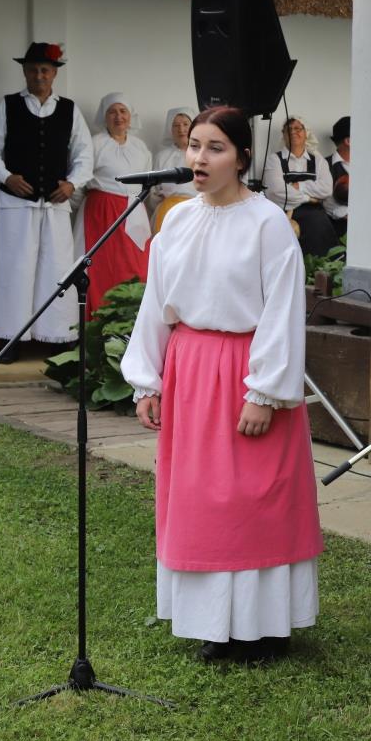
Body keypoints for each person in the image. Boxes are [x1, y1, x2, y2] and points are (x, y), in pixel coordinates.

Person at [121, 106, 323, 665]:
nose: (200, 158)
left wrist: (264, 392)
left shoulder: (267, 224)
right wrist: (147, 380)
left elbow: (282, 310)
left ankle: (265, 628)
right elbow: (156, 304)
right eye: (194, 146)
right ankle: (214, 623)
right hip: (190, 371)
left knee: (254, 501)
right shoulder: (177, 220)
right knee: (201, 502)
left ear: (241, 157)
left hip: (246, 370)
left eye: (215, 148)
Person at [0, 42, 93, 363]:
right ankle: (10, 339)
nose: (38, 75)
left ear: (54, 73)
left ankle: (59, 336)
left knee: (58, 268)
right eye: (32, 70)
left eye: (44, 70)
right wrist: (6, 177)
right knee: (15, 269)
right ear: (24, 72)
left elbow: (85, 155)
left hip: (56, 204)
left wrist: (72, 183)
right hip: (17, 204)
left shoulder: (70, 110)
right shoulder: (6, 106)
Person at [75, 92, 152, 315]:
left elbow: (147, 182)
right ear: (104, 116)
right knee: (100, 266)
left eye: (122, 111)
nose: (118, 117)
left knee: (136, 267)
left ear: (130, 115)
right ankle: (98, 320)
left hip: (134, 212)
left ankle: (131, 321)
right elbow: (81, 177)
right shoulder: (95, 143)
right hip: (101, 213)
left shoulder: (140, 147)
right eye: (112, 112)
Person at [262, 115, 336, 257]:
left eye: (298, 128)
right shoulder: (274, 159)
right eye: (288, 129)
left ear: (306, 133)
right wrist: (309, 198)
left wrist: (298, 186)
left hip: (316, 220)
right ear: (284, 135)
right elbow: (275, 192)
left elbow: (326, 189)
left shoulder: (318, 160)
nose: (293, 132)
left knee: (322, 259)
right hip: (286, 217)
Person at [150, 106, 198, 232]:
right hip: (168, 212)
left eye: (185, 124)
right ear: (170, 129)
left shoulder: (202, 154)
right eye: (176, 125)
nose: (181, 129)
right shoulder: (162, 157)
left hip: (197, 212)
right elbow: (154, 190)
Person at [322, 115, 350, 240]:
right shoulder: (323, 165)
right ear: (348, 141)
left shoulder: (370, 165)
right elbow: (326, 202)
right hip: (338, 232)